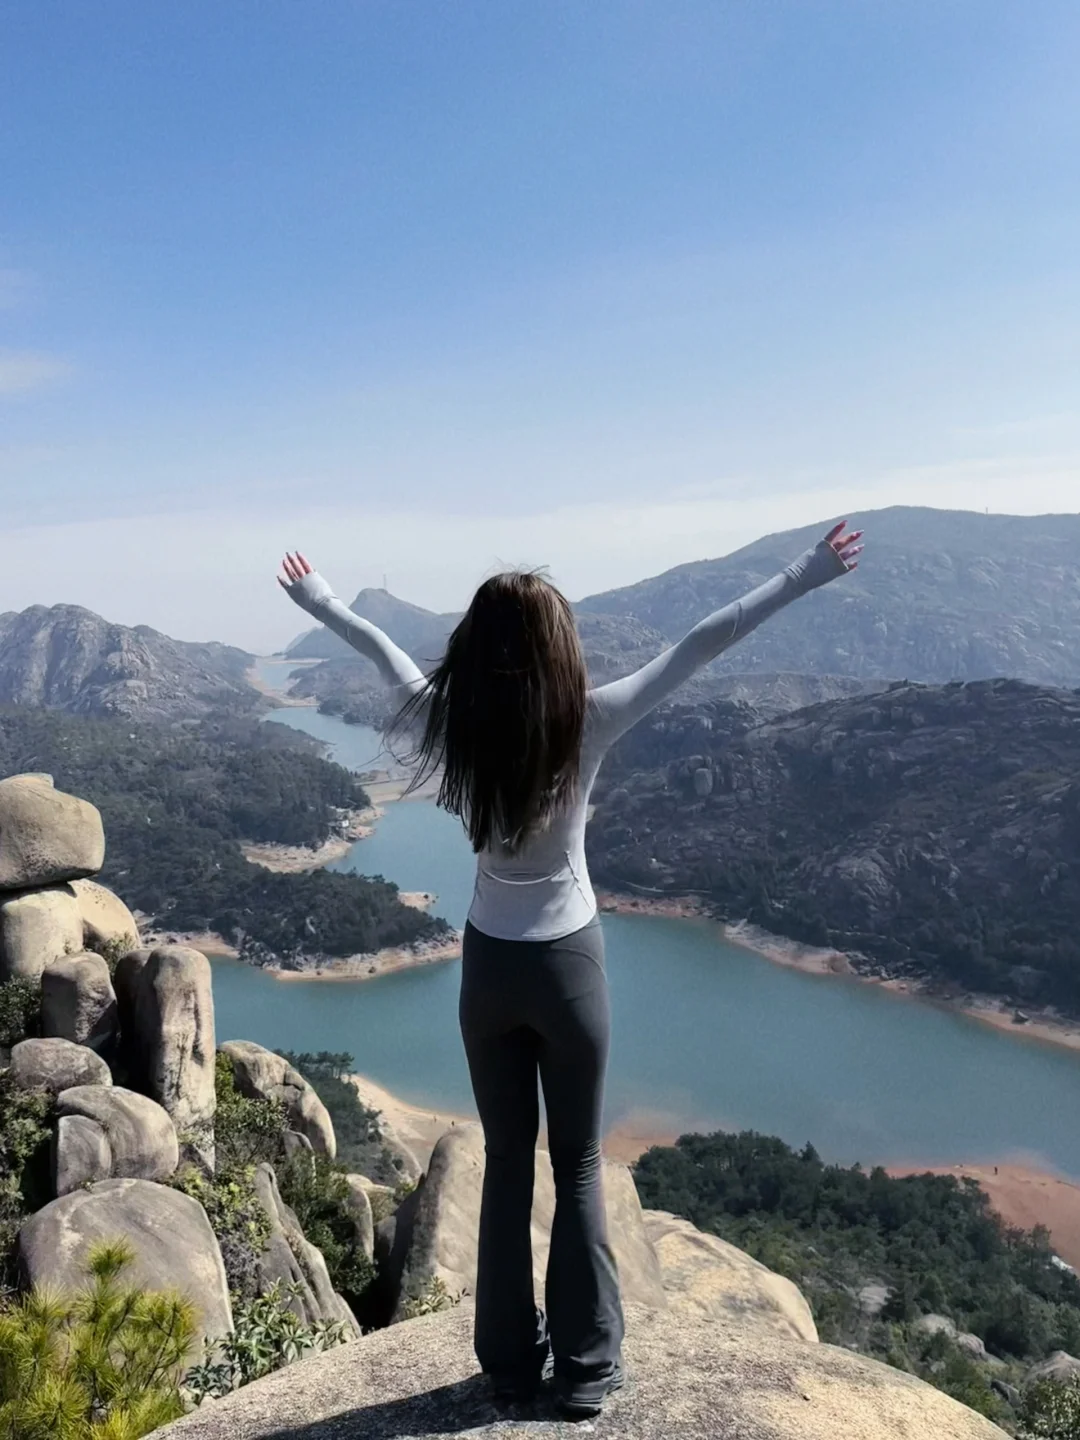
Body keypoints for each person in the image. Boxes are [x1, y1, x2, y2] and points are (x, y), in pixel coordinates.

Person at [278, 520, 863, 1415]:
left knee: (508, 1163)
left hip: (486, 969)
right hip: (568, 967)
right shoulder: (587, 720)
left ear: (477, 653)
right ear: (557, 653)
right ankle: (587, 1373)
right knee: (581, 1163)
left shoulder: (454, 725)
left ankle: (509, 1365)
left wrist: (322, 600)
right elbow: (701, 643)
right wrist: (805, 574)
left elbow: (387, 653)